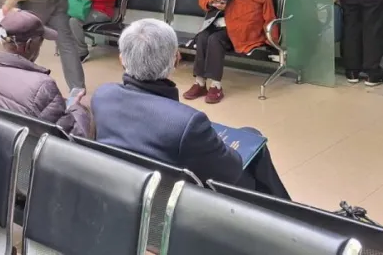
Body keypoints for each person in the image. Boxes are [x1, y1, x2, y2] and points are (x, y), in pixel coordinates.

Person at [92, 19, 289, 199]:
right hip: (181, 201)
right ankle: (289, 215)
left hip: (130, 190)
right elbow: (231, 171)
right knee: (254, 141)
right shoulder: (187, 122)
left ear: (121, 60)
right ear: (176, 59)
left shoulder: (102, 96)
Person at [0, 10, 93, 138]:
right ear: (29, 45)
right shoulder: (43, 88)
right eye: (41, 41)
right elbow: (73, 136)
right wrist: (76, 109)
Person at [183, 0, 278, 104]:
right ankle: (199, 82)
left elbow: (267, 10)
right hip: (222, 22)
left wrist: (272, 38)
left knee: (215, 39)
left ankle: (216, 86)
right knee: (203, 36)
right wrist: (210, 1)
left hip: (245, 28)